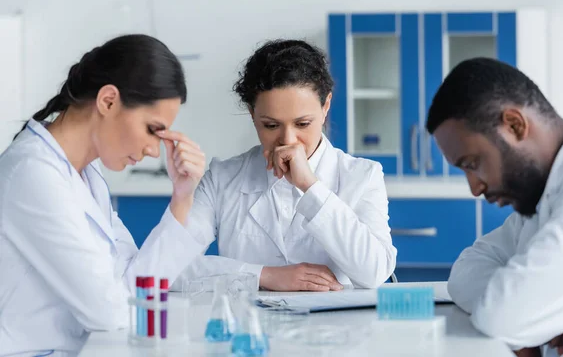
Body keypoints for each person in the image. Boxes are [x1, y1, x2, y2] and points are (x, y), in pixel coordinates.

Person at [0, 34, 206, 356]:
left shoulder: (86, 176)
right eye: (153, 129)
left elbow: (135, 288)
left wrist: (182, 198)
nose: (155, 150)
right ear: (108, 100)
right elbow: (110, 313)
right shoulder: (33, 173)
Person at [176, 39, 397, 292]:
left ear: (325, 106)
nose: (288, 140)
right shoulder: (223, 178)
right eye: (271, 125)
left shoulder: (362, 176)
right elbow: (168, 267)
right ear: (252, 114)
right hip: (249, 327)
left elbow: (375, 273)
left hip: (336, 328)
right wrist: (264, 275)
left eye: (302, 124)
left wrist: (311, 187)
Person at [426, 57, 563, 356]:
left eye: (473, 164)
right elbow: (466, 271)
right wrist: (539, 318)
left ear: (515, 125)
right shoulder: (543, 195)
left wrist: (525, 313)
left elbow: (502, 316)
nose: (475, 187)